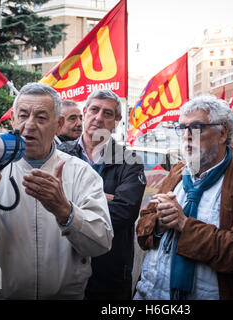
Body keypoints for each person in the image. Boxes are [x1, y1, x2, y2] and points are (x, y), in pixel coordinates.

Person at [0, 83, 113, 299]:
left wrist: (65, 211)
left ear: (58, 124)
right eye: (23, 115)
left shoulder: (82, 173)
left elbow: (101, 243)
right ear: (13, 120)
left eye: (42, 118)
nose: (30, 125)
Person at [134, 95, 233, 300]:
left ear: (222, 134)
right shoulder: (177, 172)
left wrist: (184, 224)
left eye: (197, 127)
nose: (186, 136)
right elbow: (143, 229)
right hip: (149, 294)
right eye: (182, 128)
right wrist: (159, 224)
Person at [58, 89, 146, 300]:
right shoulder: (60, 153)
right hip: (62, 266)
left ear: (117, 121)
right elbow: (44, 206)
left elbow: (124, 213)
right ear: (85, 112)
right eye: (94, 110)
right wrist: (101, 199)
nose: (99, 118)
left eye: (107, 113)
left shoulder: (130, 161)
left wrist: (65, 205)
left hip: (108, 272)